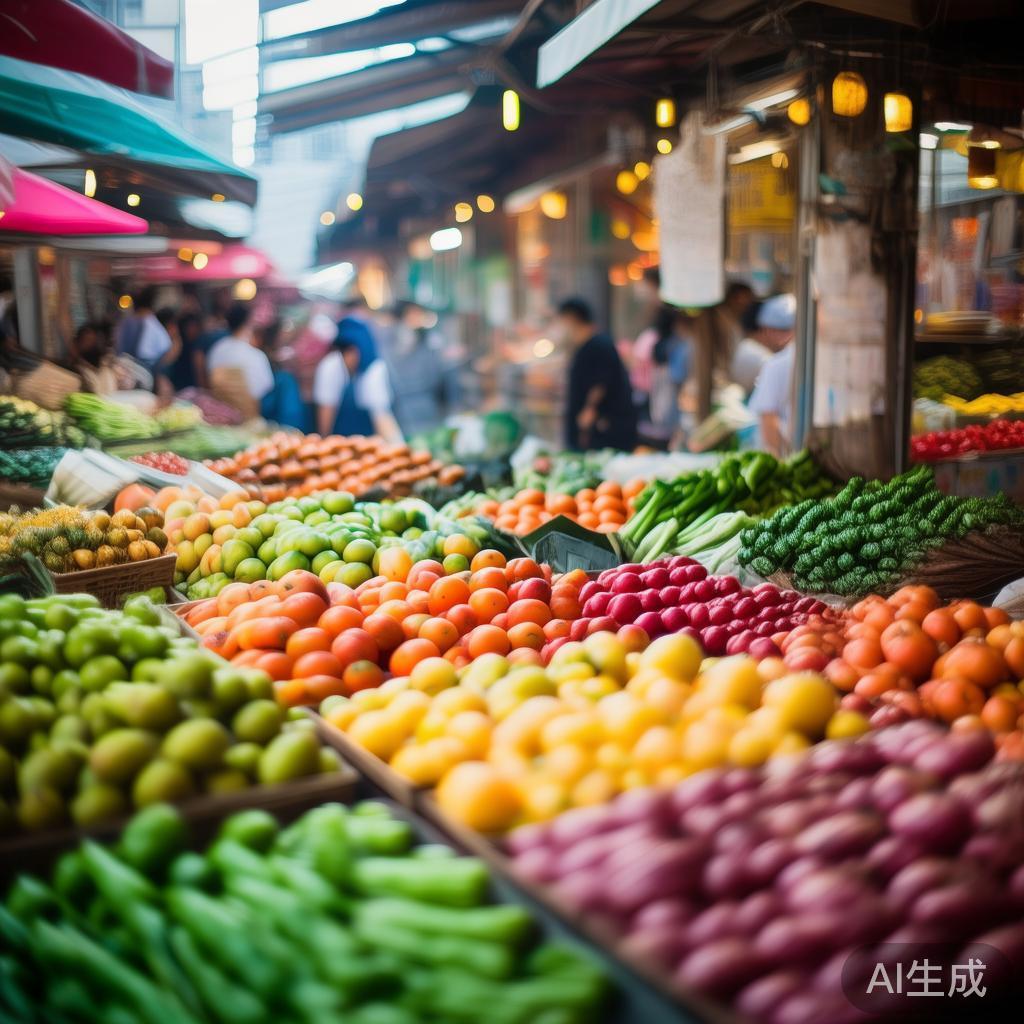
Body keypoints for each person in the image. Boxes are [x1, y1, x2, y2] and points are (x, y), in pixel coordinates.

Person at [556, 297, 637, 452]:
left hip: (608, 427)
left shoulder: (599, 345)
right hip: (598, 425)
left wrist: (589, 408)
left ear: (571, 319)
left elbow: (602, 381)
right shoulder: (587, 345)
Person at [313, 318, 401, 440]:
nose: (352, 356)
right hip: (338, 442)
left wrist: (395, 444)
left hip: (369, 442)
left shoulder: (374, 368)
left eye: (355, 351)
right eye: (348, 351)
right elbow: (326, 412)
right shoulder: (331, 367)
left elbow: (381, 415)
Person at [384, 300, 458, 438]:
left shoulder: (428, 339)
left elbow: (441, 376)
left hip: (429, 407)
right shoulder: (393, 340)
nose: (419, 318)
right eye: (414, 314)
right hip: (404, 409)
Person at [748, 293, 798, 457]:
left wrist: (776, 462)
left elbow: (769, 417)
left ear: (771, 331)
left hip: (789, 454)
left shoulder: (776, 365)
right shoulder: (814, 359)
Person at [207, 302, 274, 405]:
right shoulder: (256, 355)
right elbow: (265, 387)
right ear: (248, 323)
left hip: (222, 407)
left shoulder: (216, 349)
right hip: (249, 411)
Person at [646, 305, 693, 444]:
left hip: (658, 409)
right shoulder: (680, 345)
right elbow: (678, 376)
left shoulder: (658, 344)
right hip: (674, 409)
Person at [115, 286, 172, 376]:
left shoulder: (126, 323)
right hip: (147, 372)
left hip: (126, 371)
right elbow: (163, 347)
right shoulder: (150, 323)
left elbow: (119, 347)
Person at [164, 312, 203, 392]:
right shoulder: (178, 345)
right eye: (190, 326)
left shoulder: (199, 346)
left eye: (195, 326)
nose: (192, 329)